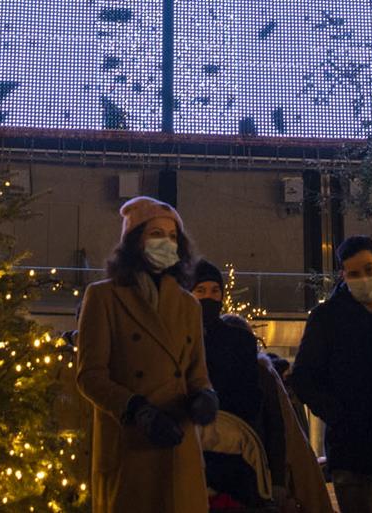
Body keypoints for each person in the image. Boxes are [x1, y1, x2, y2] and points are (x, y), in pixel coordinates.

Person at [74, 197, 220, 513]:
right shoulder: (102, 297)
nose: (166, 243)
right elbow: (90, 375)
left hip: (179, 448)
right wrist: (136, 409)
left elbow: (196, 372)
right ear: (133, 241)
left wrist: (205, 396)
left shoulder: (188, 305)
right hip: (130, 446)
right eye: (156, 234)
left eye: (172, 237)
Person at [290, 235, 372, 513]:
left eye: (369, 270)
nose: (364, 279)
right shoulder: (327, 319)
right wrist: (340, 415)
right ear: (343, 275)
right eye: (355, 273)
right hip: (352, 452)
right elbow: (303, 377)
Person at [192, 259, 272, 503]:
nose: (209, 297)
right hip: (193, 441)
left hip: (232, 445)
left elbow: (250, 392)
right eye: (201, 291)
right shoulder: (178, 336)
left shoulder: (239, 340)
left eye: (215, 291)